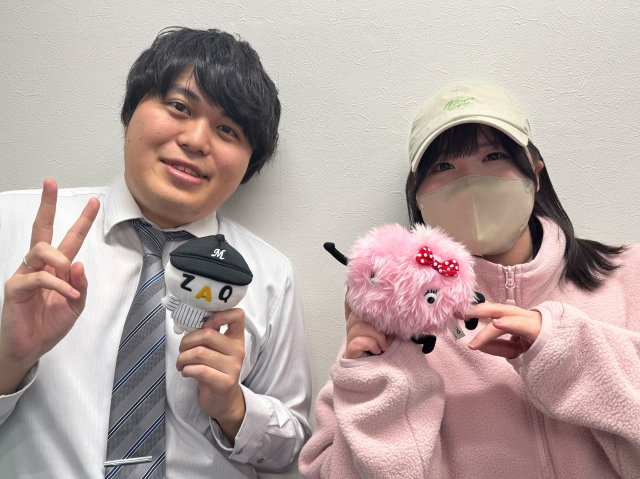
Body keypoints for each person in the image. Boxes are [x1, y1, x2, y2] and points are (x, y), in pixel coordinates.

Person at [0, 27, 311, 478]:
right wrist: (9, 361)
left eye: (227, 129)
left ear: (249, 162)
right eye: (180, 107)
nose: (197, 140)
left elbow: (292, 451)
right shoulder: (12, 227)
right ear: (131, 111)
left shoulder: (268, 275)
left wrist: (233, 406)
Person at [299, 84, 640, 478]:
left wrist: (567, 349)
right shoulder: (397, 320)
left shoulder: (629, 275)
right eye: (443, 166)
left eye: (493, 156)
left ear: (535, 173)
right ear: (418, 198)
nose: (471, 182)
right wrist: (380, 378)